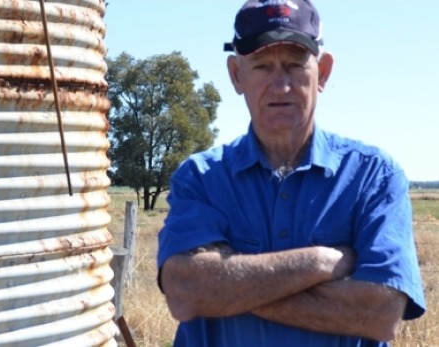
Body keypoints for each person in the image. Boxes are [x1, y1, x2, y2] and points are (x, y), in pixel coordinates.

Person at [156, 0, 426, 346]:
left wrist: (226, 289)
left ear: (323, 72)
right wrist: (320, 262)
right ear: (236, 75)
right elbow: (186, 291)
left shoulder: (373, 176)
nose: (280, 85)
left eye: (295, 65)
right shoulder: (201, 178)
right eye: (262, 66)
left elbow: (380, 314)